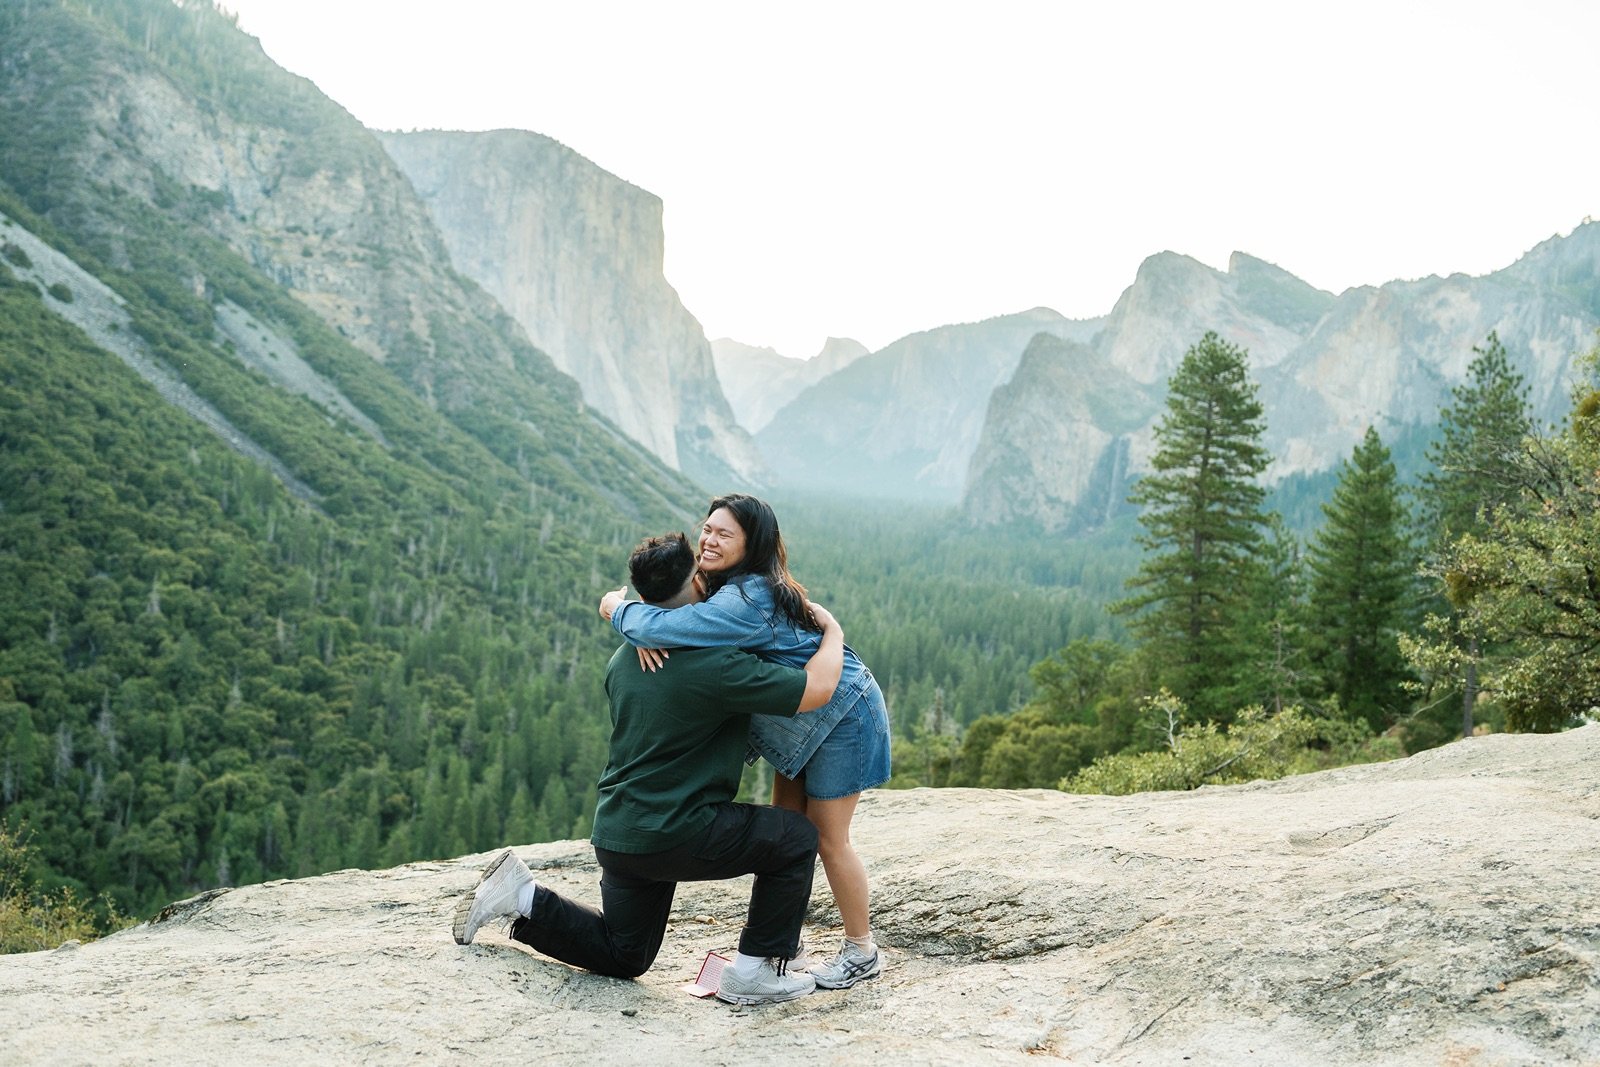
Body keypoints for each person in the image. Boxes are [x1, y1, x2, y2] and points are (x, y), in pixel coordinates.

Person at [452, 532, 845, 1006]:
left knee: (626, 955)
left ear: (642, 601)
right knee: (795, 837)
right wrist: (832, 631)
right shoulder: (718, 664)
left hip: (620, 835)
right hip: (677, 832)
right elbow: (816, 689)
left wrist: (633, 623)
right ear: (700, 583)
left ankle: (523, 897)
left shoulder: (623, 659)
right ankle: (757, 969)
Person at [598, 493, 890, 991]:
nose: (709, 540)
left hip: (841, 711)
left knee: (825, 839)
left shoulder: (744, 600)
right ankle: (782, 948)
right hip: (795, 719)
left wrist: (622, 615)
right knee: (789, 832)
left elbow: (666, 620)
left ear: (752, 545)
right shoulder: (716, 583)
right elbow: (666, 610)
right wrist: (635, 627)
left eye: (724, 534)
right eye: (707, 529)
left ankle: (861, 952)